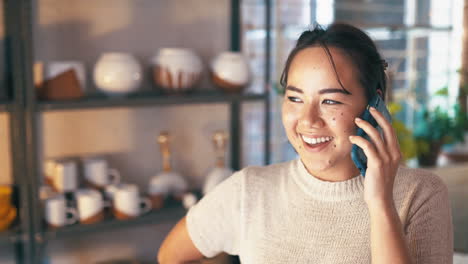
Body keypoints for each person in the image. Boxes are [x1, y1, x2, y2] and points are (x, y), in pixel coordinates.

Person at [157, 23, 453, 264]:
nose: (308, 120)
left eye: (330, 100)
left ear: (374, 103)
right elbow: (169, 256)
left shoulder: (420, 195)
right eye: (295, 98)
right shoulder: (249, 191)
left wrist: (380, 203)